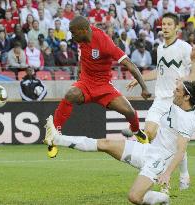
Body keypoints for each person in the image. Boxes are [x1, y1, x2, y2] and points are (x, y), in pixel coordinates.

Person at [43, 80, 195, 205]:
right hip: (148, 150)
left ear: (187, 96)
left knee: (134, 198)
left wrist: (169, 173)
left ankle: (163, 198)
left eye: (178, 90)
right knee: (106, 144)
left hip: (158, 162)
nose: (174, 91)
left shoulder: (187, 120)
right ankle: (57, 138)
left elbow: (181, 151)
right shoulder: (179, 104)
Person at [47, 16, 151, 158]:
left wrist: (144, 87)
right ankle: (54, 135)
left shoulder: (104, 43)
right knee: (70, 94)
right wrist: (80, 71)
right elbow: (84, 55)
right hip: (86, 82)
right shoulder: (82, 38)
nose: (72, 36)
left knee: (130, 112)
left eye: (74, 32)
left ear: (83, 30)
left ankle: (137, 131)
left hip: (104, 86)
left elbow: (129, 64)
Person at [124, 12, 195, 190]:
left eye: (169, 24)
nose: (165, 27)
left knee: (176, 144)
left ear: (177, 28)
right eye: (163, 25)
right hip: (160, 100)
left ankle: (183, 175)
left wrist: (193, 67)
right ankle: (158, 176)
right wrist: (140, 78)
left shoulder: (184, 47)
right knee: (149, 133)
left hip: (176, 102)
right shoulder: (160, 48)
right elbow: (160, 72)